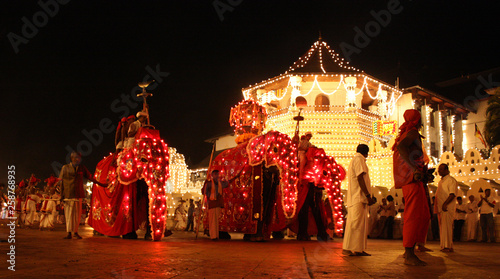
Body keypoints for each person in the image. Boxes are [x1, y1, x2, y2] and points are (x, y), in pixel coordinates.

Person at [392, 109, 430, 266]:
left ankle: (412, 248)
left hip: (413, 180)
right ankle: (409, 253)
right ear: (417, 120)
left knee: (422, 213)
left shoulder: (408, 132)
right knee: (413, 215)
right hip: (411, 179)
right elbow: (401, 148)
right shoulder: (412, 132)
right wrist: (414, 169)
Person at [59, 151, 106, 239]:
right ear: (71, 158)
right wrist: (61, 196)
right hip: (68, 195)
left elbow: (90, 177)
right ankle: (69, 232)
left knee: (77, 215)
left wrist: (102, 184)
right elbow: (61, 182)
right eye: (76, 157)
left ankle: (75, 232)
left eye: (79, 157)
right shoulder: (65, 168)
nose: (78, 159)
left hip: (78, 195)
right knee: (69, 215)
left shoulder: (82, 168)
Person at [342, 144, 374, 256]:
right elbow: (360, 177)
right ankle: (352, 248)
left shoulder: (356, 159)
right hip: (358, 197)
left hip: (357, 197)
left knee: (356, 224)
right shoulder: (359, 159)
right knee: (356, 224)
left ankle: (356, 248)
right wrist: (367, 195)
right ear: (366, 153)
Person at [435, 163, 457, 252]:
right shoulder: (441, 181)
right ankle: (444, 245)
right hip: (441, 208)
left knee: (447, 227)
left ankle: (448, 246)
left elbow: (452, 194)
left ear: (447, 170)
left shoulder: (451, 180)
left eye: (441, 169)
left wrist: (445, 204)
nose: (439, 171)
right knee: (443, 227)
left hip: (447, 208)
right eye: (439, 169)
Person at [203, 170, 228, 240]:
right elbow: (204, 191)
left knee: (216, 220)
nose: (217, 176)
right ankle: (213, 236)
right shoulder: (209, 183)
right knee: (212, 220)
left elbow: (227, 184)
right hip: (212, 203)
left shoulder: (220, 183)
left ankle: (216, 235)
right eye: (215, 174)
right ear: (212, 175)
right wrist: (211, 195)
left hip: (218, 203)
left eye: (218, 174)